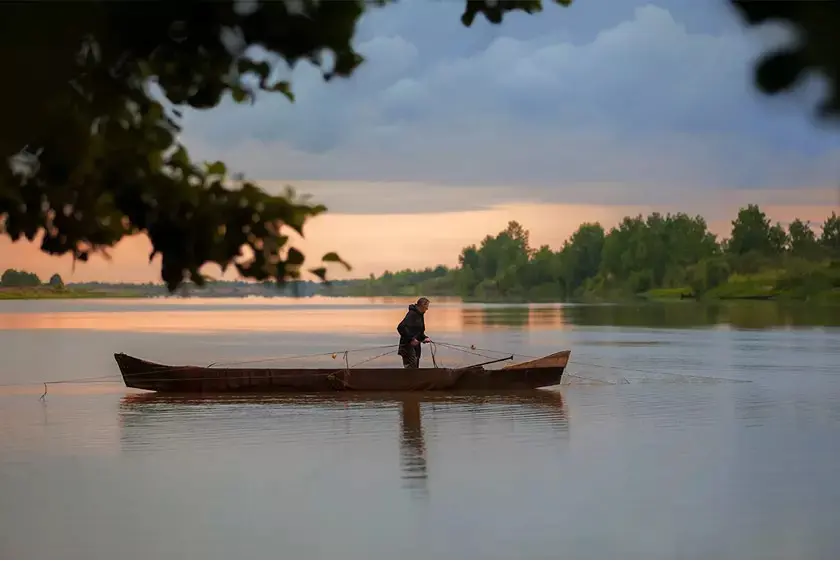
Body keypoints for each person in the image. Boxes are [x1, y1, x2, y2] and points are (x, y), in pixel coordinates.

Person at [397, 297, 432, 368]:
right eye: (426, 307)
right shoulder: (412, 314)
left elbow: (419, 331)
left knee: (415, 367)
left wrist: (424, 338)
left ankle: (413, 379)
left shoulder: (420, 314)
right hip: (407, 346)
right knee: (411, 368)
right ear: (421, 305)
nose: (427, 309)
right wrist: (411, 339)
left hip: (416, 346)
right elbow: (401, 327)